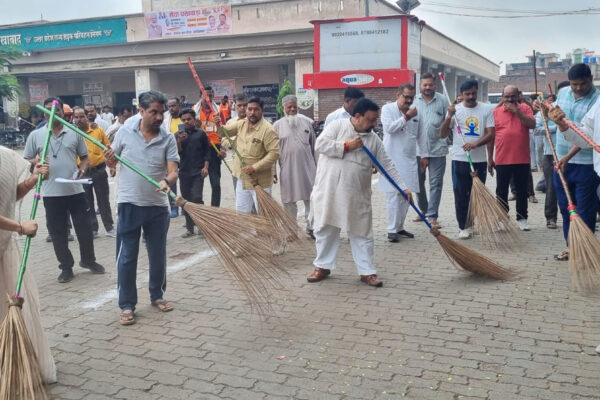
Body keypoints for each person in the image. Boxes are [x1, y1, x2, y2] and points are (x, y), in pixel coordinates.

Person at [308, 98, 411, 287]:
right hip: (329, 192)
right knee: (325, 229)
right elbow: (320, 145)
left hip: (357, 195)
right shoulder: (337, 126)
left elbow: (386, 165)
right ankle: (322, 266)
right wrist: (346, 146)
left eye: (375, 119)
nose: (374, 124)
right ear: (357, 116)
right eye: (370, 120)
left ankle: (367, 271)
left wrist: (402, 187)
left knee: (362, 233)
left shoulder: (373, 140)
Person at [104, 90, 179, 326]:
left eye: (161, 113)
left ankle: (157, 295)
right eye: (153, 112)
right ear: (141, 111)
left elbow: (173, 171)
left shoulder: (167, 138)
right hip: (129, 203)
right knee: (127, 256)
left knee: (157, 254)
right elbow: (112, 159)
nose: (159, 117)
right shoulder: (125, 131)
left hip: (157, 206)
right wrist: (109, 157)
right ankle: (127, 305)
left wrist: (166, 181)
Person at [24, 97, 104, 283]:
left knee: (85, 229)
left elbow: (84, 158)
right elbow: (26, 159)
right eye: (47, 110)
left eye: (56, 110)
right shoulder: (36, 135)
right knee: (58, 232)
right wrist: (35, 162)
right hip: (51, 193)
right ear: (44, 113)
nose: (52, 113)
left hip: (75, 190)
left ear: (62, 112)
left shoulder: (74, 132)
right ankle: (66, 267)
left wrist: (82, 169)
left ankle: (88, 260)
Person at [0, 145, 56, 384]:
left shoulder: (4, 156)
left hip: (4, 247)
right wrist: (20, 227)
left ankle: (12, 362)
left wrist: (33, 179)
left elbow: (8, 195)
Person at [545, 64, 600, 261]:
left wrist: (568, 157)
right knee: (566, 206)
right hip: (560, 161)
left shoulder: (596, 99)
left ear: (590, 79)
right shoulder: (564, 93)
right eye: (574, 84)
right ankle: (571, 246)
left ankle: (585, 249)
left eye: (582, 84)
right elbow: (557, 118)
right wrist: (544, 109)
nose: (578, 88)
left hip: (586, 163)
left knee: (585, 208)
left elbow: (587, 137)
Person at [440, 80, 495, 239]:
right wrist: (449, 116)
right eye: (467, 94)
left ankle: (472, 222)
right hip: (459, 159)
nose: (471, 96)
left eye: (473, 93)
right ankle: (463, 226)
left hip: (479, 160)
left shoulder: (486, 109)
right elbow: (442, 134)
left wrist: (475, 144)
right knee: (461, 195)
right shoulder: (455, 110)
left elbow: (491, 134)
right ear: (461, 94)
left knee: (476, 195)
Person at [379, 83, 428, 242]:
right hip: (391, 159)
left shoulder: (416, 112)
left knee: (407, 195)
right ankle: (391, 230)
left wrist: (424, 156)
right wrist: (406, 117)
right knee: (394, 196)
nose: (408, 100)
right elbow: (389, 128)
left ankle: (399, 227)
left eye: (411, 98)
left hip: (409, 159)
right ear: (398, 95)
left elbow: (421, 136)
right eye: (405, 97)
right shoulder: (387, 109)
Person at [489, 86, 536, 231]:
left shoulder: (525, 108)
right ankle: (502, 219)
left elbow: (532, 124)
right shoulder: (496, 112)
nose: (509, 99)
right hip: (502, 158)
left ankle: (522, 218)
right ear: (502, 96)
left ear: (518, 96)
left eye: (513, 96)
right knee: (501, 191)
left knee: (522, 190)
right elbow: (491, 136)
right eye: (507, 96)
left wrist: (518, 112)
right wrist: (490, 158)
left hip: (522, 158)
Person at [222, 97, 279, 213]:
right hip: (242, 178)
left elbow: (274, 153)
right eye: (250, 109)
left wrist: (254, 167)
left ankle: (264, 226)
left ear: (262, 110)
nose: (252, 113)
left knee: (264, 214)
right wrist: (218, 124)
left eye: (256, 109)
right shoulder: (241, 124)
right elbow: (224, 132)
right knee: (242, 213)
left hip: (260, 180)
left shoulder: (268, 130)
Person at [273, 95, 317, 237]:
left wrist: (319, 168)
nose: (292, 109)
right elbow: (272, 151)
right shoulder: (277, 126)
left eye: (295, 107)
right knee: (289, 201)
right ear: (283, 108)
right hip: (288, 169)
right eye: (289, 107)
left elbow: (314, 147)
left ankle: (312, 228)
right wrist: (273, 172)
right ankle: (291, 230)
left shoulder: (306, 123)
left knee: (311, 198)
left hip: (308, 169)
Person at [72, 107, 116, 238]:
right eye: (76, 117)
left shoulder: (98, 130)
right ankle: (92, 229)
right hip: (82, 173)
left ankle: (109, 227)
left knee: (103, 200)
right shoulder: (72, 133)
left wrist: (112, 166)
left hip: (99, 170)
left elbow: (108, 148)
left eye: (82, 116)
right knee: (86, 201)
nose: (79, 120)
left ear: (87, 117)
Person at [413, 72, 449, 229]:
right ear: (420, 85)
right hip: (417, 150)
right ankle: (424, 210)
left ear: (435, 85)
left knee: (436, 183)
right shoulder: (414, 101)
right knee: (417, 182)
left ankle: (432, 216)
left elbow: (449, 121)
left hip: (437, 149)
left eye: (430, 84)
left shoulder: (443, 100)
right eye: (425, 85)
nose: (427, 87)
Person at [175, 108, 210, 238]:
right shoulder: (177, 135)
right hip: (184, 172)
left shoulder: (201, 134)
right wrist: (179, 141)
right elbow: (177, 153)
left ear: (194, 119)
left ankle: (202, 226)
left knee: (196, 198)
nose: (186, 122)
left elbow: (207, 152)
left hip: (198, 172)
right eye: (183, 120)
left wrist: (206, 167)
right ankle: (190, 228)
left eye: (189, 119)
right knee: (186, 201)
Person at [197, 86, 224, 208]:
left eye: (210, 95)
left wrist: (222, 147)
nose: (208, 98)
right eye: (205, 95)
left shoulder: (218, 111)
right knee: (198, 183)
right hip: (199, 149)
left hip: (215, 149)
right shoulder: (194, 111)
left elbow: (224, 131)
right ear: (200, 96)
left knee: (215, 183)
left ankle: (215, 209)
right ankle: (199, 209)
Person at [224, 93, 249, 192]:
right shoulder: (230, 122)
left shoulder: (254, 121)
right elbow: (224, 140)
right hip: (237, 167)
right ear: (234, 107)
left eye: (245, 105)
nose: (242, 108)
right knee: (240, 197)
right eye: (239, 105)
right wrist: (233, 143)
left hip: (252, 166)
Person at [162, 97, 182, 218]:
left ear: (179, 105)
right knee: (171, 181)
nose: (171, 108)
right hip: (170, 154)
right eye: (169, 106)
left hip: (184, 153)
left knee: (185, 182)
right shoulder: (165, 119)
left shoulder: (185, 117)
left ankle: (184, 206)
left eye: (174, 106)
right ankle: (174, 207)